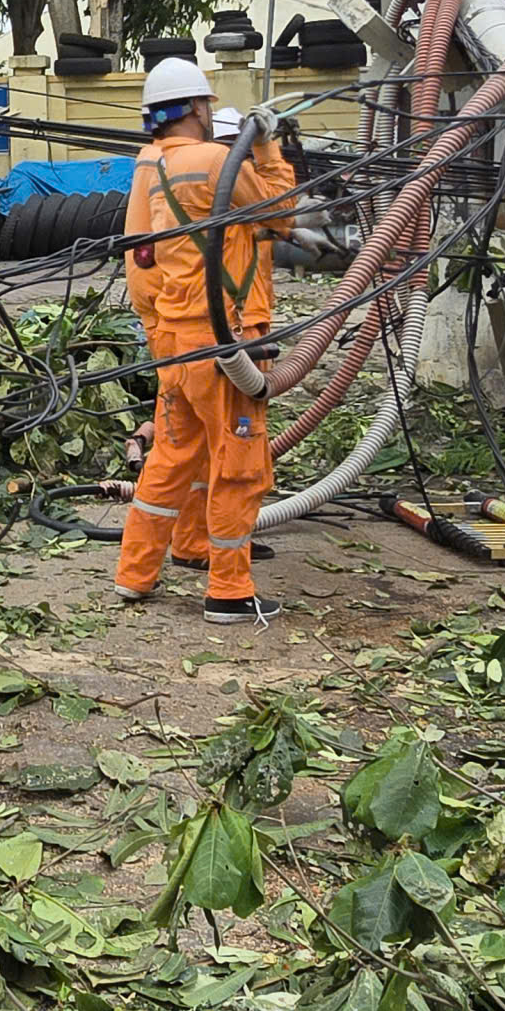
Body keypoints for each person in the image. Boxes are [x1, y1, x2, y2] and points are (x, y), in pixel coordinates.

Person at [112, 58, 293, 623]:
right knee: (239, 465)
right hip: (225, 343)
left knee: (170, 458)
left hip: (178, 341)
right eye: (207, 104)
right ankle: (230, 593)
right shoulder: (216, 160)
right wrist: (266, 147)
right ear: (196, 108)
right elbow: (282, 213)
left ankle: (135, 574)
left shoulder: (153, 165)